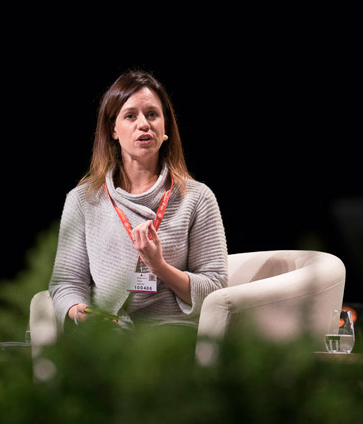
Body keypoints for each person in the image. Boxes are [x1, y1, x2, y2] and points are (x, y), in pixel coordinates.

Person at [48, 70, 228, 336]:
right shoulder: (83, 200)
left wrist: (159, 267)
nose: (143, 124)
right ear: (113, 130)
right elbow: (66, 283)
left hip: (171, 334)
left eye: (152, 114)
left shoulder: (197, 197)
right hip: (108, 332)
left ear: (165, 126)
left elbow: (215, 288)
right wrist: (82, 314)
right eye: (130, 116)